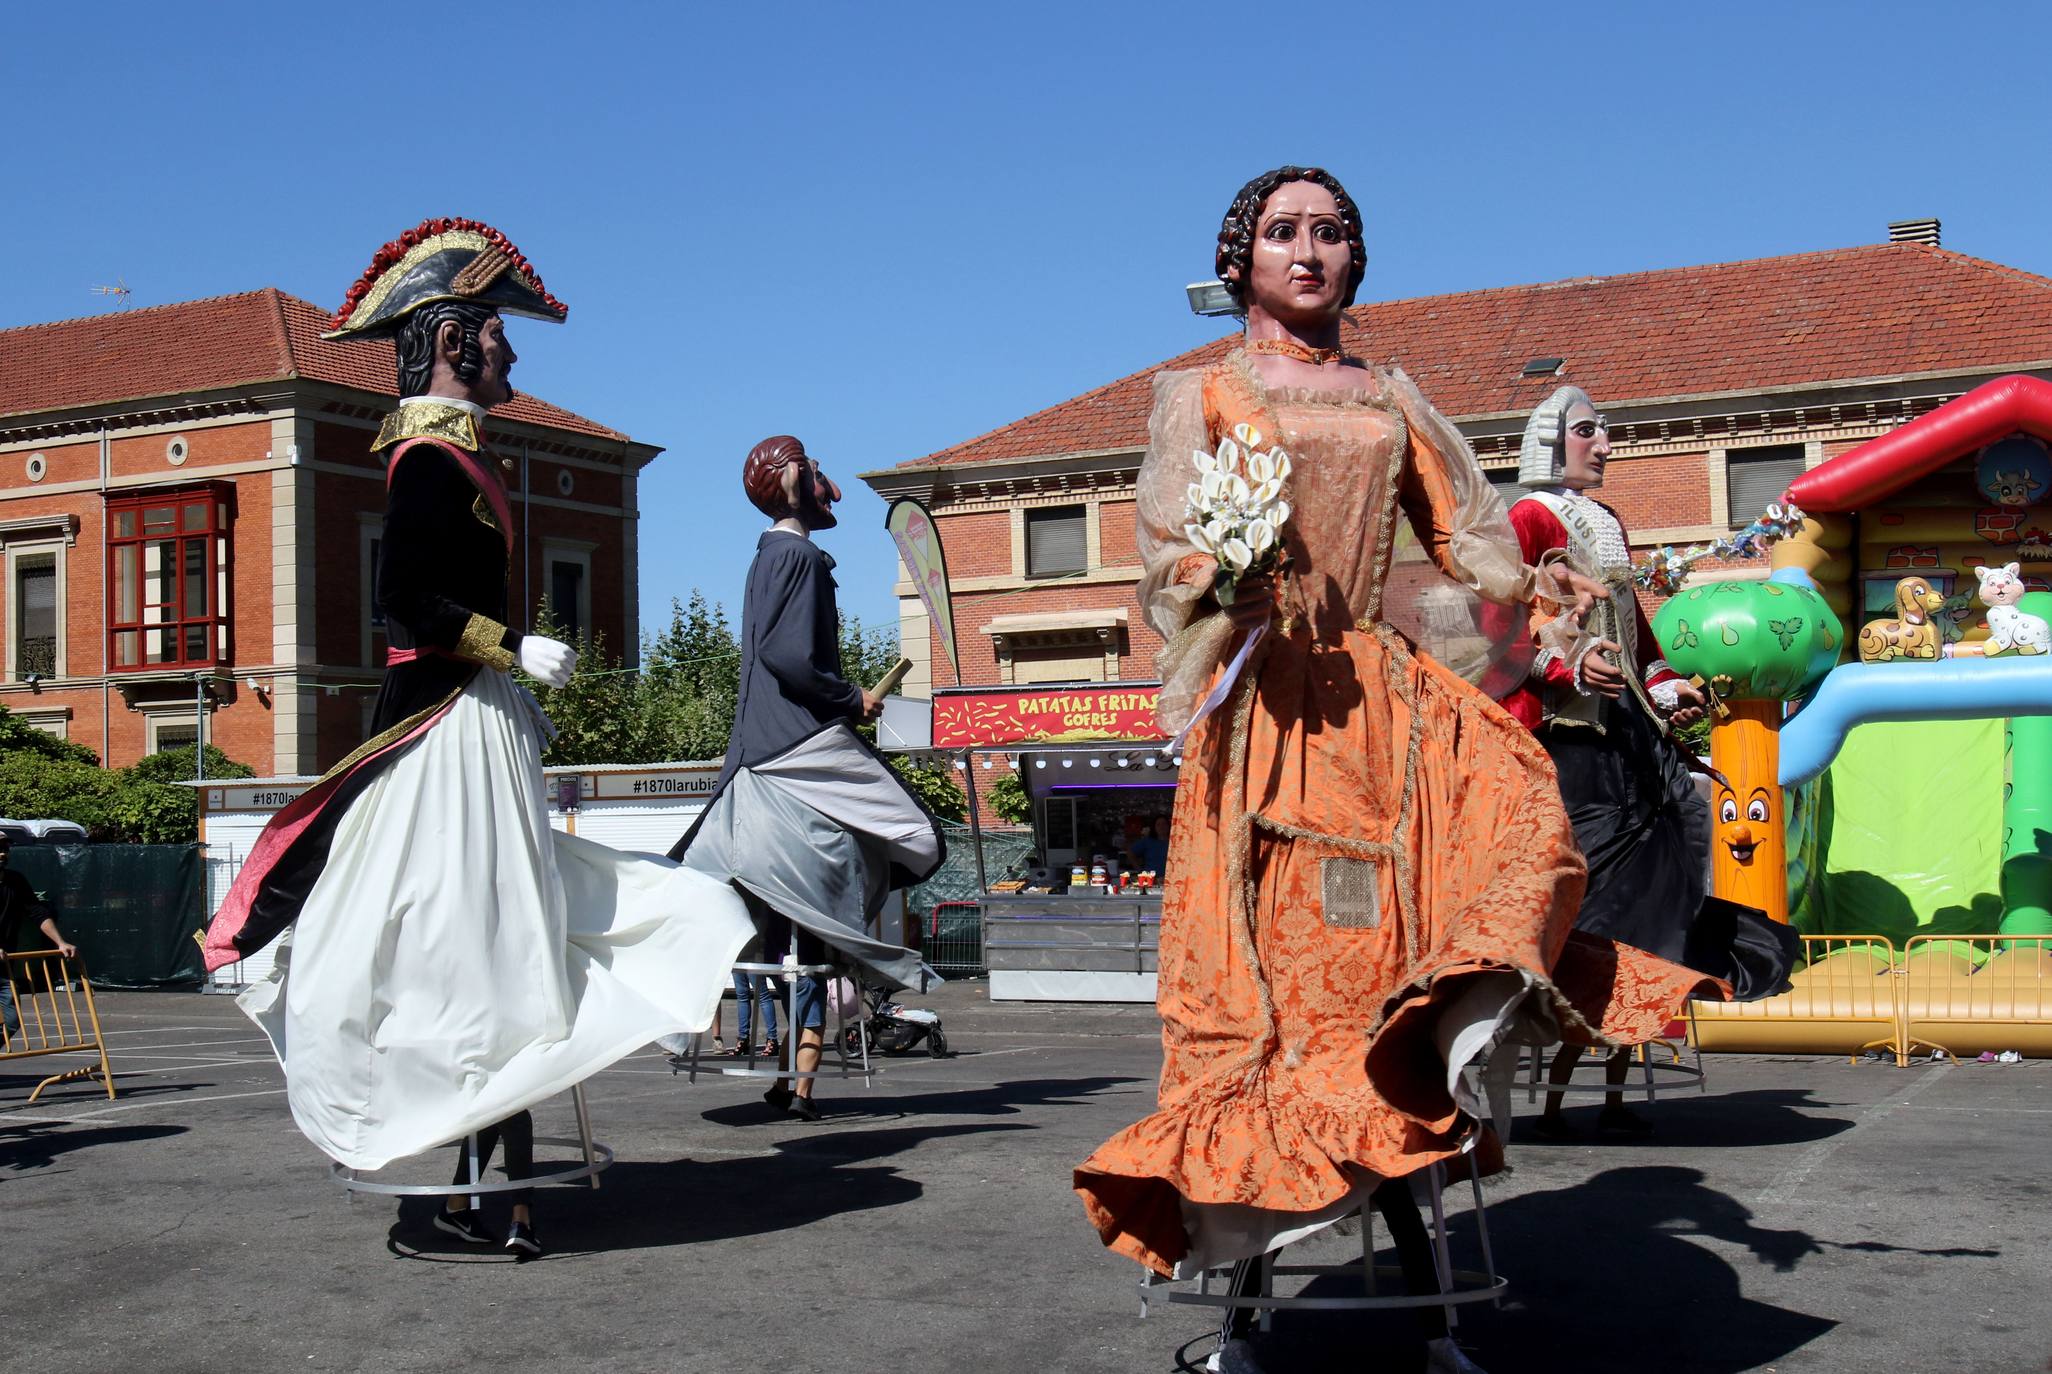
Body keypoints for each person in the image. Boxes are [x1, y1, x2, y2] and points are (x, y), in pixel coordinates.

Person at [1074, 165, 1645, 1374]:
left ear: (1355, 257)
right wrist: (1210, 577)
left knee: (1384, 981)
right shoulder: (1200, 393)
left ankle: (1428, 1301)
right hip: (1268, 720)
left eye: (1331, 232)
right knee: (1276, 998)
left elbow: (1474, 536)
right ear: (1241, 259)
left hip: (1382, 727)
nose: (1310, 251)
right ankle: (1244, 1299)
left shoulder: (1392, 397)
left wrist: (1537, 586)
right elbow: (1166, 551)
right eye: (1284, 232)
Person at [200, 219, 753, 1259]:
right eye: (499, 336)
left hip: (473, 722)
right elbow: (401, 599)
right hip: (446, 722)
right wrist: (509, 646)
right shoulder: (425, 461)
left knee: (497, 941)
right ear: (455, 341)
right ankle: (483, 1190)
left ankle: (483, 1193)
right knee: (477, 946)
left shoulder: (456, 458)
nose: (513, 353)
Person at [1504, 387, 1800, 1139]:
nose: (1603, 445)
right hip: (1566, 735)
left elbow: (1632, 629)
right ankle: (1549, 1021)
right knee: (1586, 886)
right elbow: (1500, 626)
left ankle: (1635, 1018)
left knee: (1670, 853)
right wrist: (1562, 669)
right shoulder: (1527, 516)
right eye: (1587, 432)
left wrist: (1668, 689)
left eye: (1604, 432)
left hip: (1625, 729)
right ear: (1550, 441)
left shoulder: (1604, 522)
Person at [668, 436, 946, 1122]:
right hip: (794, 751)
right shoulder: (797, 557)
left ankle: (796, 1074)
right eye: (818, 474)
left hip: (754, 757)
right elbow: (789, 655)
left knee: (793, 932)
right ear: (795, 482)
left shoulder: (767, 556)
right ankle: (802, 1077)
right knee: (911, 833)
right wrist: (853, 700)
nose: (832, 491)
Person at [0, 835, 76, 1044]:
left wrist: (61, 942)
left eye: (5, 849)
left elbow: (38, 913)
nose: (2, 854)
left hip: (4, 967)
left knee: (11, 1021)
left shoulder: (15, 881)